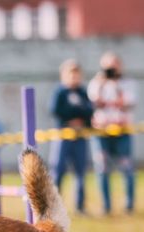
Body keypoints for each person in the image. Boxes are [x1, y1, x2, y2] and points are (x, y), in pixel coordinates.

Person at [88, 52, 137, 214]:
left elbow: (126, 103)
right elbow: (94, 103)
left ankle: (129, 206)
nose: (111, 69)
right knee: (102, 169)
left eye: (114, 65)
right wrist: (102, 84)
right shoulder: (96, 83)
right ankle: (106, 206)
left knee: (127, 168)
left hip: (122, 132)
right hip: (101, 132)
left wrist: (115, 85)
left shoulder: (128, 83)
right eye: (108, 66)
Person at [49, 60, 93, 214]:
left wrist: (81, 120)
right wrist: (71, 119)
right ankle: (54, 207)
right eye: (71, 75)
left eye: (77, 75)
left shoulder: (82, 92)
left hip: (80, 136)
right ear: (64, 76)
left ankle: (80, 206)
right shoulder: (60, 92)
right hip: (63, 136)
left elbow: (89, 110)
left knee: (80, 172)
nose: (74, 78)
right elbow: (56, 110)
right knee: (58, 170)